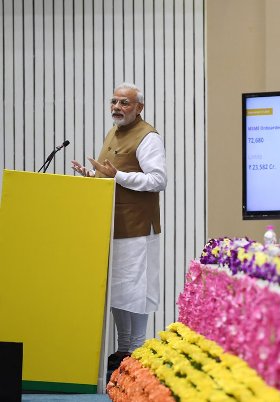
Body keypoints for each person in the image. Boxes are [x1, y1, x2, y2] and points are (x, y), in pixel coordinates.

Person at [71, 83, 167, 370]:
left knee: (136, 290)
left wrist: (119, 176)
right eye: (114, 101)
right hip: (111, 225)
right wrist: (93, 176)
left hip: (137, 227)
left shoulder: (148, 137)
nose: (117, 107)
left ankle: (137, 349)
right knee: (117, 290)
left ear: (139, 108)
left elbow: (158, 180)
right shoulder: (113, 132)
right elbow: (111, 175)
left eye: (124, 103)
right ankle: (122, 348)